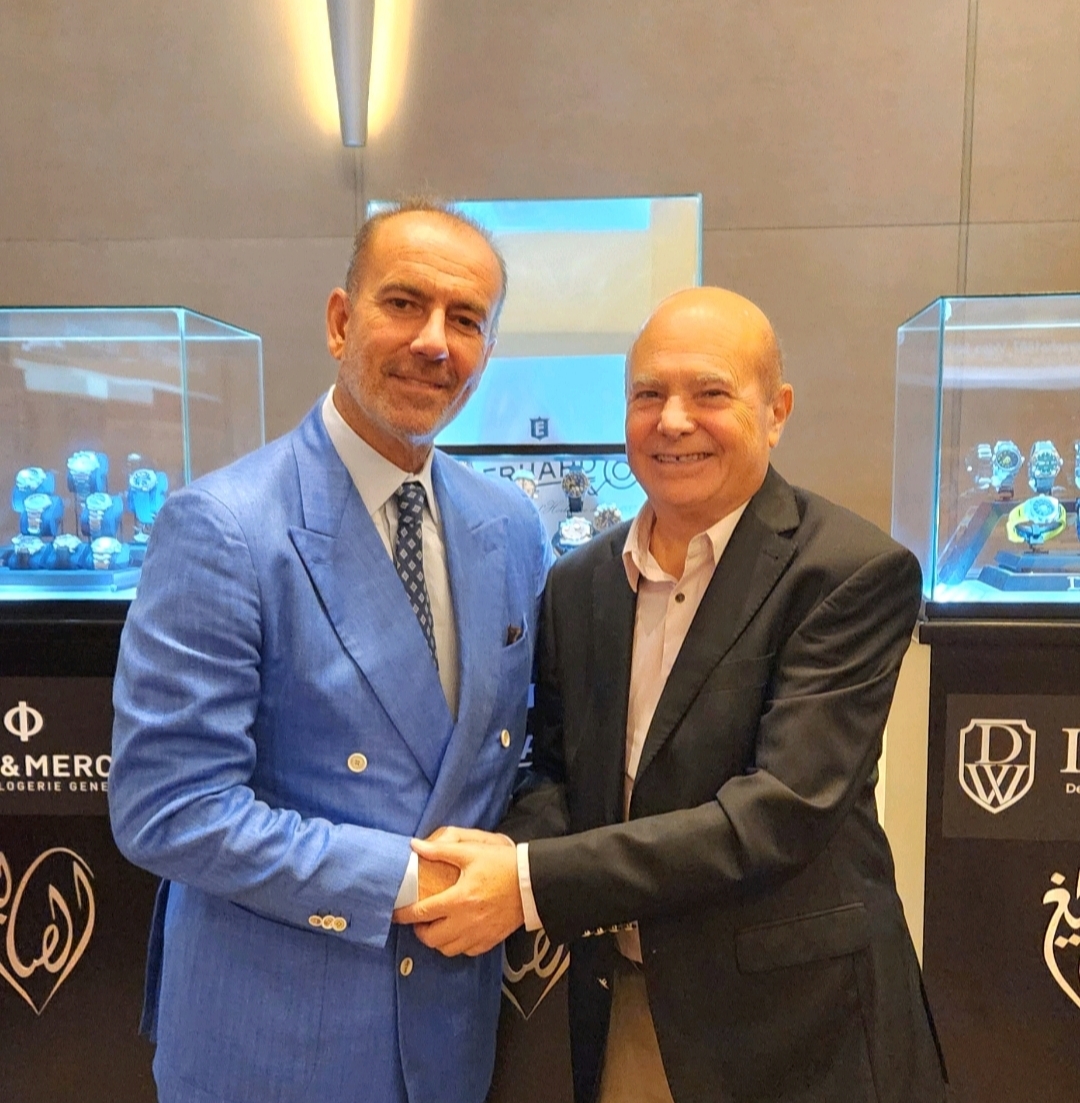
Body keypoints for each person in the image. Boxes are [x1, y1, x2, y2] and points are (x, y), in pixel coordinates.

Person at [396, 287, 949, 1102]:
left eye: (710, 392)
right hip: (624, 1003)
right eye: (649, 393)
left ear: (776, 411)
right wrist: (484, 859)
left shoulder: (849, 572)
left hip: (799, 1027)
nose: (674, 420)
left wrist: (526, 882)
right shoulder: (580, 582)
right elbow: (556, 771)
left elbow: (778, 813)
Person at [109, 199, 551, 1103]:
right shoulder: (224, 527)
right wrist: (405, 880)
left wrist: (521, 867)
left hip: (449, 1036)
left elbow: (518, 756)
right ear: (341, 320)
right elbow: (168, 806)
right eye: (405, 303)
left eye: (466, 319)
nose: (434, 342)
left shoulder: (509, 525)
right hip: (272, 1043)